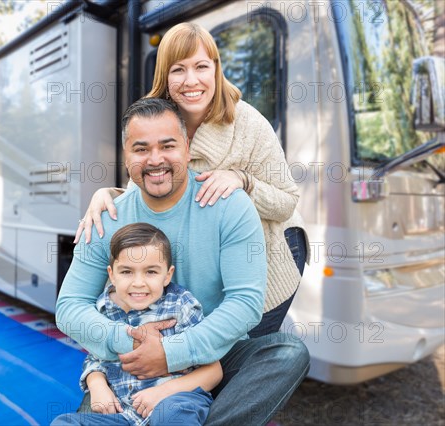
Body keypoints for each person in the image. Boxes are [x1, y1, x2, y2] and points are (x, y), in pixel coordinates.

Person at [56, 97, 309, 425]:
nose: (155, 159)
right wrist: (130, 342)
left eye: (168, 145)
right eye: (141, 148)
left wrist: (171, 353)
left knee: (287, 353)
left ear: (187, 147)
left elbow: (245, 303)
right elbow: (70, 307)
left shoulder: (229, 205)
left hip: (211, 355)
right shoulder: (108, 215)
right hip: (130, 361)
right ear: (126, 155)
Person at [75, 22, 308, 337]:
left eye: (201, 67)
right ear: (165, 77)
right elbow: (149, 183)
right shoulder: (158, 119)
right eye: (178, 70)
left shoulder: (248, 123)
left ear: (215, 69)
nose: (191, 81)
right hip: (210, 256)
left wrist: (244, 180)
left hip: (271, 248)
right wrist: (109, 194)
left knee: (241, 349)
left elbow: (287, 201)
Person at [52, 223, 221, 425]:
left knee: (171, 416)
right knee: (64, 422)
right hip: (125, 414)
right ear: (112, 274)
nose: (138, 282)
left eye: (150, 272)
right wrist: (97, 385)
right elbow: (96, 358)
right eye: (126, 272)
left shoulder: (180, 305)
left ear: (167, 275)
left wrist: (162, 392)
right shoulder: (104, 308)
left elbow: (213, 370)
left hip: (175, 401)